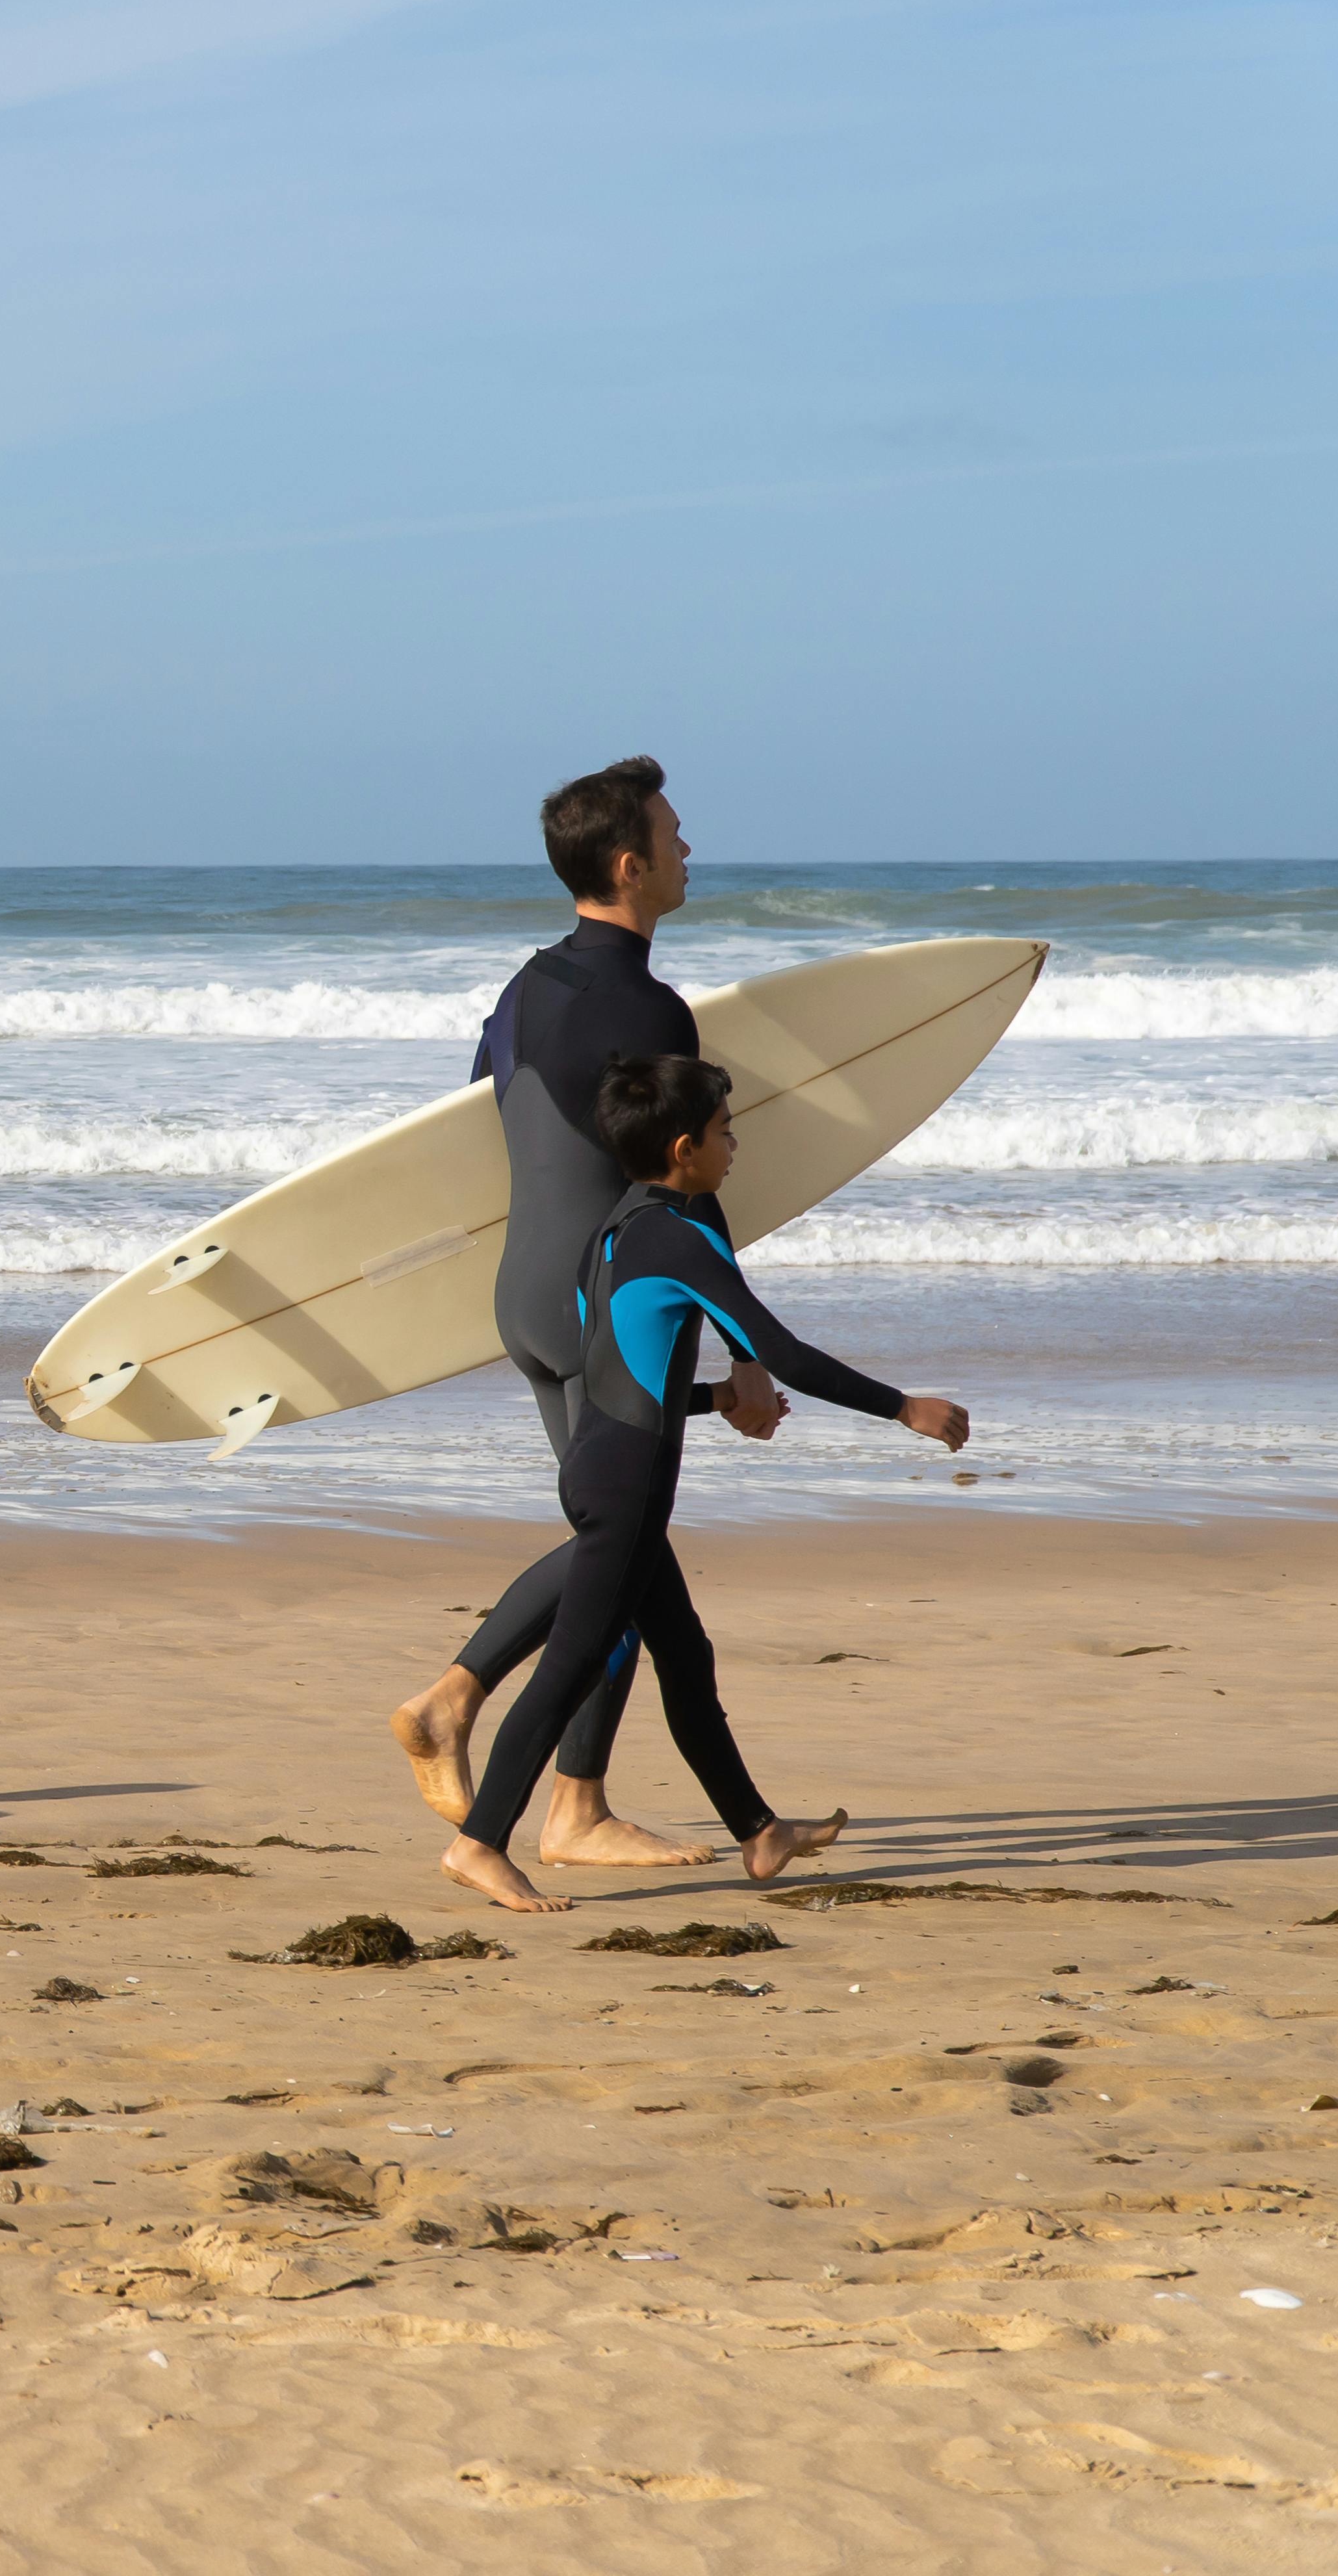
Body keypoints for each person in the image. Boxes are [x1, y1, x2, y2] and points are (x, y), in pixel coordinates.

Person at [440, 1054, 970, 1913]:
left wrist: (719, 1395)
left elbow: (613, 1375)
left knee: (685, 1656)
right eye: (726, 1132)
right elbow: (783, 1349)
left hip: (598, 1463)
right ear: (684, 1148)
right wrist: (902, 1407)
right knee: (569, 1670)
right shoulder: (680, 1240)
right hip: (626, 1495)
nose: (736, 1146)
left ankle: (759, 1833)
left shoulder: (614, 1232)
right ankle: (478, 1844)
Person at [389, 756, 790, 1864]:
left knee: (626, 1547)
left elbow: (479, 1122)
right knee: (616, 1545)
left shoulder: (523, 991)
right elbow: (677, 1188)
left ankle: (580, 1801)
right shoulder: (649, 1008)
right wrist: (744, 1352)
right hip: (605, 1306)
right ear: (630, 865)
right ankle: (471, 1716)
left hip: (526, 1293)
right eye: (673, 832)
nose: (689, 848)